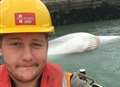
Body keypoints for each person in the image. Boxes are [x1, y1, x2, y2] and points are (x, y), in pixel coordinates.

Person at [0, 0, 101, 87]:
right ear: (1, 47)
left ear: (47, 46)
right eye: (16, 44)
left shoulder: (71, 84)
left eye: (36, 44)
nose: (27, 57)